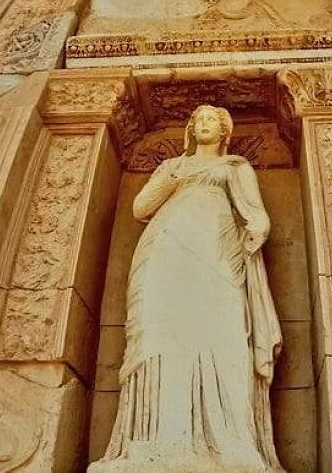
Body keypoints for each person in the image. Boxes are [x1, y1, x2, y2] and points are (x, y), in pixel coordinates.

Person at [91, 104, 284, 472]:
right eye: (197, 121)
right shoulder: (174, 167)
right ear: (190, 130)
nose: (203, 125)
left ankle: (232, 441)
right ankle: (156, 440)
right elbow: (139, 207)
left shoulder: (234, 167)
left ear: (224, 130)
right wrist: (171, 177)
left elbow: (255, 212)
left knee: (224, 335)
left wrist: (258, 229)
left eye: (211, 120)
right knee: (157, 335)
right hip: (164, 250)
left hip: (216, 252)